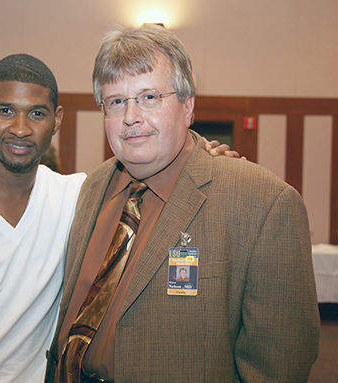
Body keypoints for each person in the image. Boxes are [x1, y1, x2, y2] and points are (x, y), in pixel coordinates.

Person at [0, 52, 237, 382]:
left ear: (57, 119)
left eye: (36, 113)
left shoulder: (80, 198)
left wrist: (207, 160)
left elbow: (162, 172)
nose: (20, 128)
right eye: (5, 111)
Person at [45, 25, 319, 383]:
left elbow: (279, 365)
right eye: (116, 101)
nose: (130, 117)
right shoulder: (93, 187)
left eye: (149, 97)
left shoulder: (263, 204)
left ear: (187, 106)